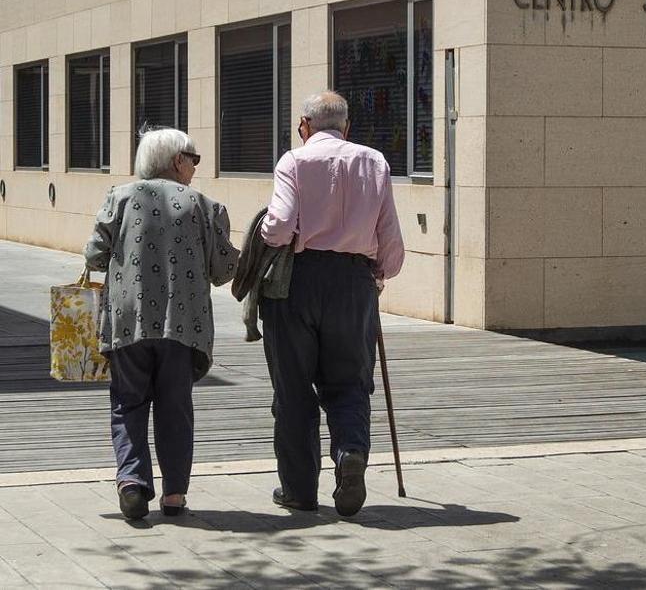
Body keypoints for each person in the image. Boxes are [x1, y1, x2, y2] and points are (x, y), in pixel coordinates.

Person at [259, 91, 405, 516]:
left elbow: (279, 225)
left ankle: (299, 490)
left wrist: (268, 233)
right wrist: (378, 274)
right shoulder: (374, 161)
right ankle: (350, 452)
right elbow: (391, 237)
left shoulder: (294, 160)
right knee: (350, 383)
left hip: (297, 283)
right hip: (354, 281)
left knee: (293, 387)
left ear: (304, 125)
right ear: (347, 126)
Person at [84, 128, 239, 520]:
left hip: (127, 323)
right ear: (177, 161)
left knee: (128, 403)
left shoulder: (118, 198)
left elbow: (94, 256)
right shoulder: (205, 205)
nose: (195, 167)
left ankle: (133, 483)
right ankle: (174, 496)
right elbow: (223, 271)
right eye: (194, 159)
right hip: (183, 325)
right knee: (175, 407)